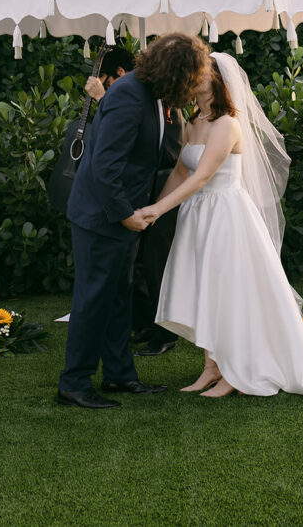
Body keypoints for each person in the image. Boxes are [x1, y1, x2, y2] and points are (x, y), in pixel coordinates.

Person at [138, 53, 303, 400]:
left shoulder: (227, 125)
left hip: (225, 216)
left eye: (200, 73)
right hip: (197, 215)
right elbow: (180, 172)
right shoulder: (194, 121)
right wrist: (153, 209)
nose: (193, 78)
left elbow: (203, 177)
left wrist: (157, 210)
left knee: (227, 292)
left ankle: (233, 373)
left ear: (218, 80)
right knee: (205, 288)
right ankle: (211, 366)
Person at [58, 33, 210, 409]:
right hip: (102, 217)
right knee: (93, 300)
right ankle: (74, 382)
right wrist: (126, 215)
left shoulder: (149, 93)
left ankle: (119, 375)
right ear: (176, 73)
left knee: (118, 299)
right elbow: (104, 167)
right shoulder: (129, 94)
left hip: (124, 216)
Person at [80, 47, 183, 357]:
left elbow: (164, 150)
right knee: (138, 267)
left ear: (121, 74)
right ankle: (146, 323)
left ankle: (164, 331)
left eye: (109, 81)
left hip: (163, 190)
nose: (108, 88)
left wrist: (104, 99)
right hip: (142, 196)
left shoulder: (162, 102)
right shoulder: (140, 95)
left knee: (156, 264)